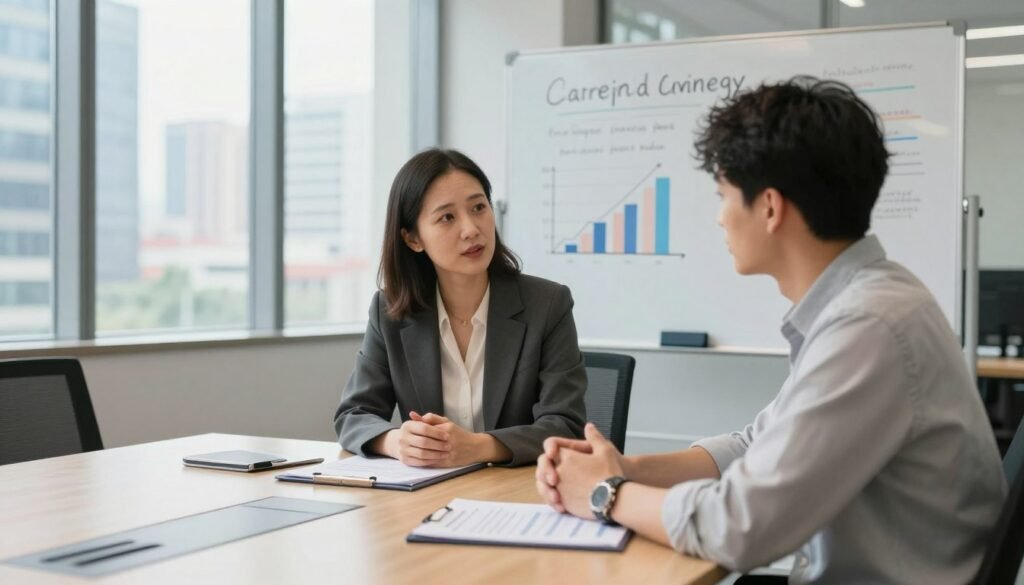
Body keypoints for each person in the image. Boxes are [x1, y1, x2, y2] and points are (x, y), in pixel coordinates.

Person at [536, 76, 1007, 584]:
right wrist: (626, 468)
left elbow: (742, 528)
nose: (718, 218)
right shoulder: (864, 302)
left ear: (769, 207)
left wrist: (607, 494)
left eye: (723, 196)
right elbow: (753, 445)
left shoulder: (869, 326)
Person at [334, 148, 587, 468]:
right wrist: (396, 441)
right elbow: (354, 415)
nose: (471, 229)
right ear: (413, 238)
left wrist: (480, 447)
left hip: (518, 494)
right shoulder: (390, 312)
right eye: (447, 217)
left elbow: (566, 426)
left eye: (479, 207)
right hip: (430, 495)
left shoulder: (547, 304)